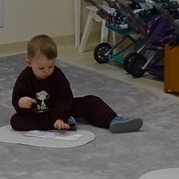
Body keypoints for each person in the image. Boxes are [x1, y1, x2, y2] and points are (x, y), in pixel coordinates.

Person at [11, 34, 142, 133]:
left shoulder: (57, 75)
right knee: (16, 121)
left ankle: (112, 119)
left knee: (90, 101)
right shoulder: (25, 78)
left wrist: (59, 116)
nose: (46, 71)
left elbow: (65, 97)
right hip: (38, 112)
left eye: (50, 66)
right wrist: (21, 103)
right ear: (29, 63)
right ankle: (62, 123)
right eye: (41, 68)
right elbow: (17, 98)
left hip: (61, 107)